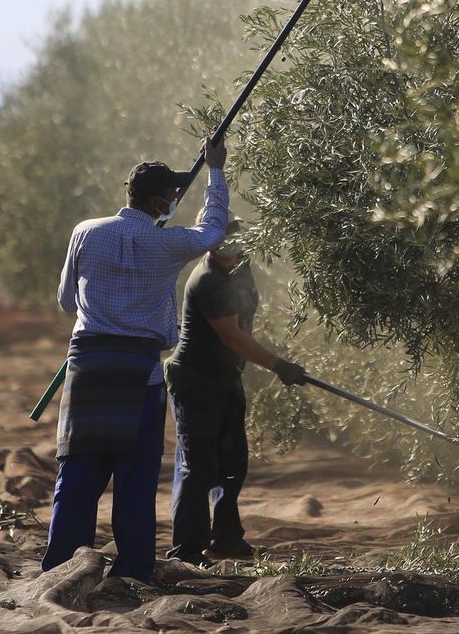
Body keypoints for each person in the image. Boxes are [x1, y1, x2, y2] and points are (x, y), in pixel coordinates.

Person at [40, 137, 230, 583]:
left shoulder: (85, 231)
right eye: (173, 194)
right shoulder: (169, 244)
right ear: (161, 199)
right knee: (135, 478)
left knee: (77, 474)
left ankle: (60, 570)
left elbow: (67, 301)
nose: (175, 199)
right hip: (140, 373)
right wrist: (216, 170)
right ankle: (131, 573)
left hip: (87, 369)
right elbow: (213, 230)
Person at [165, 224, 305, 565]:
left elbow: (246, 324)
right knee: (199, 468)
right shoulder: (208, 279)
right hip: (195, 382)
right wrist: (278, 365)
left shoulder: (241, 268)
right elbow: (232, 336)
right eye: (222, 235)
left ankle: (226, 539)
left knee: (232, 465)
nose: (230, 242)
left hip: (226, 378)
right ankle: (187, 549)